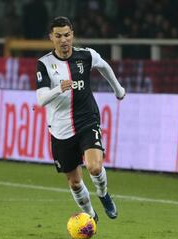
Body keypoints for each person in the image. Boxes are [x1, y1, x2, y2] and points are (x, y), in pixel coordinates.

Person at [35, 16, 125, 222]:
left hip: (87, 119)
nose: (63, 40)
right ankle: (91, 216)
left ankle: (103, 194)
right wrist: (59, 88)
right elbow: (40, 100)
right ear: (51, 38)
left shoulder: (86, 55)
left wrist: (118, 90)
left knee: (94, 166)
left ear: (72, 35)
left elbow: (104, 67)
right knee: (75, 182)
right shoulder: (44, 64)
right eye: (58, 36)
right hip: (60, 128)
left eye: (67, 35)